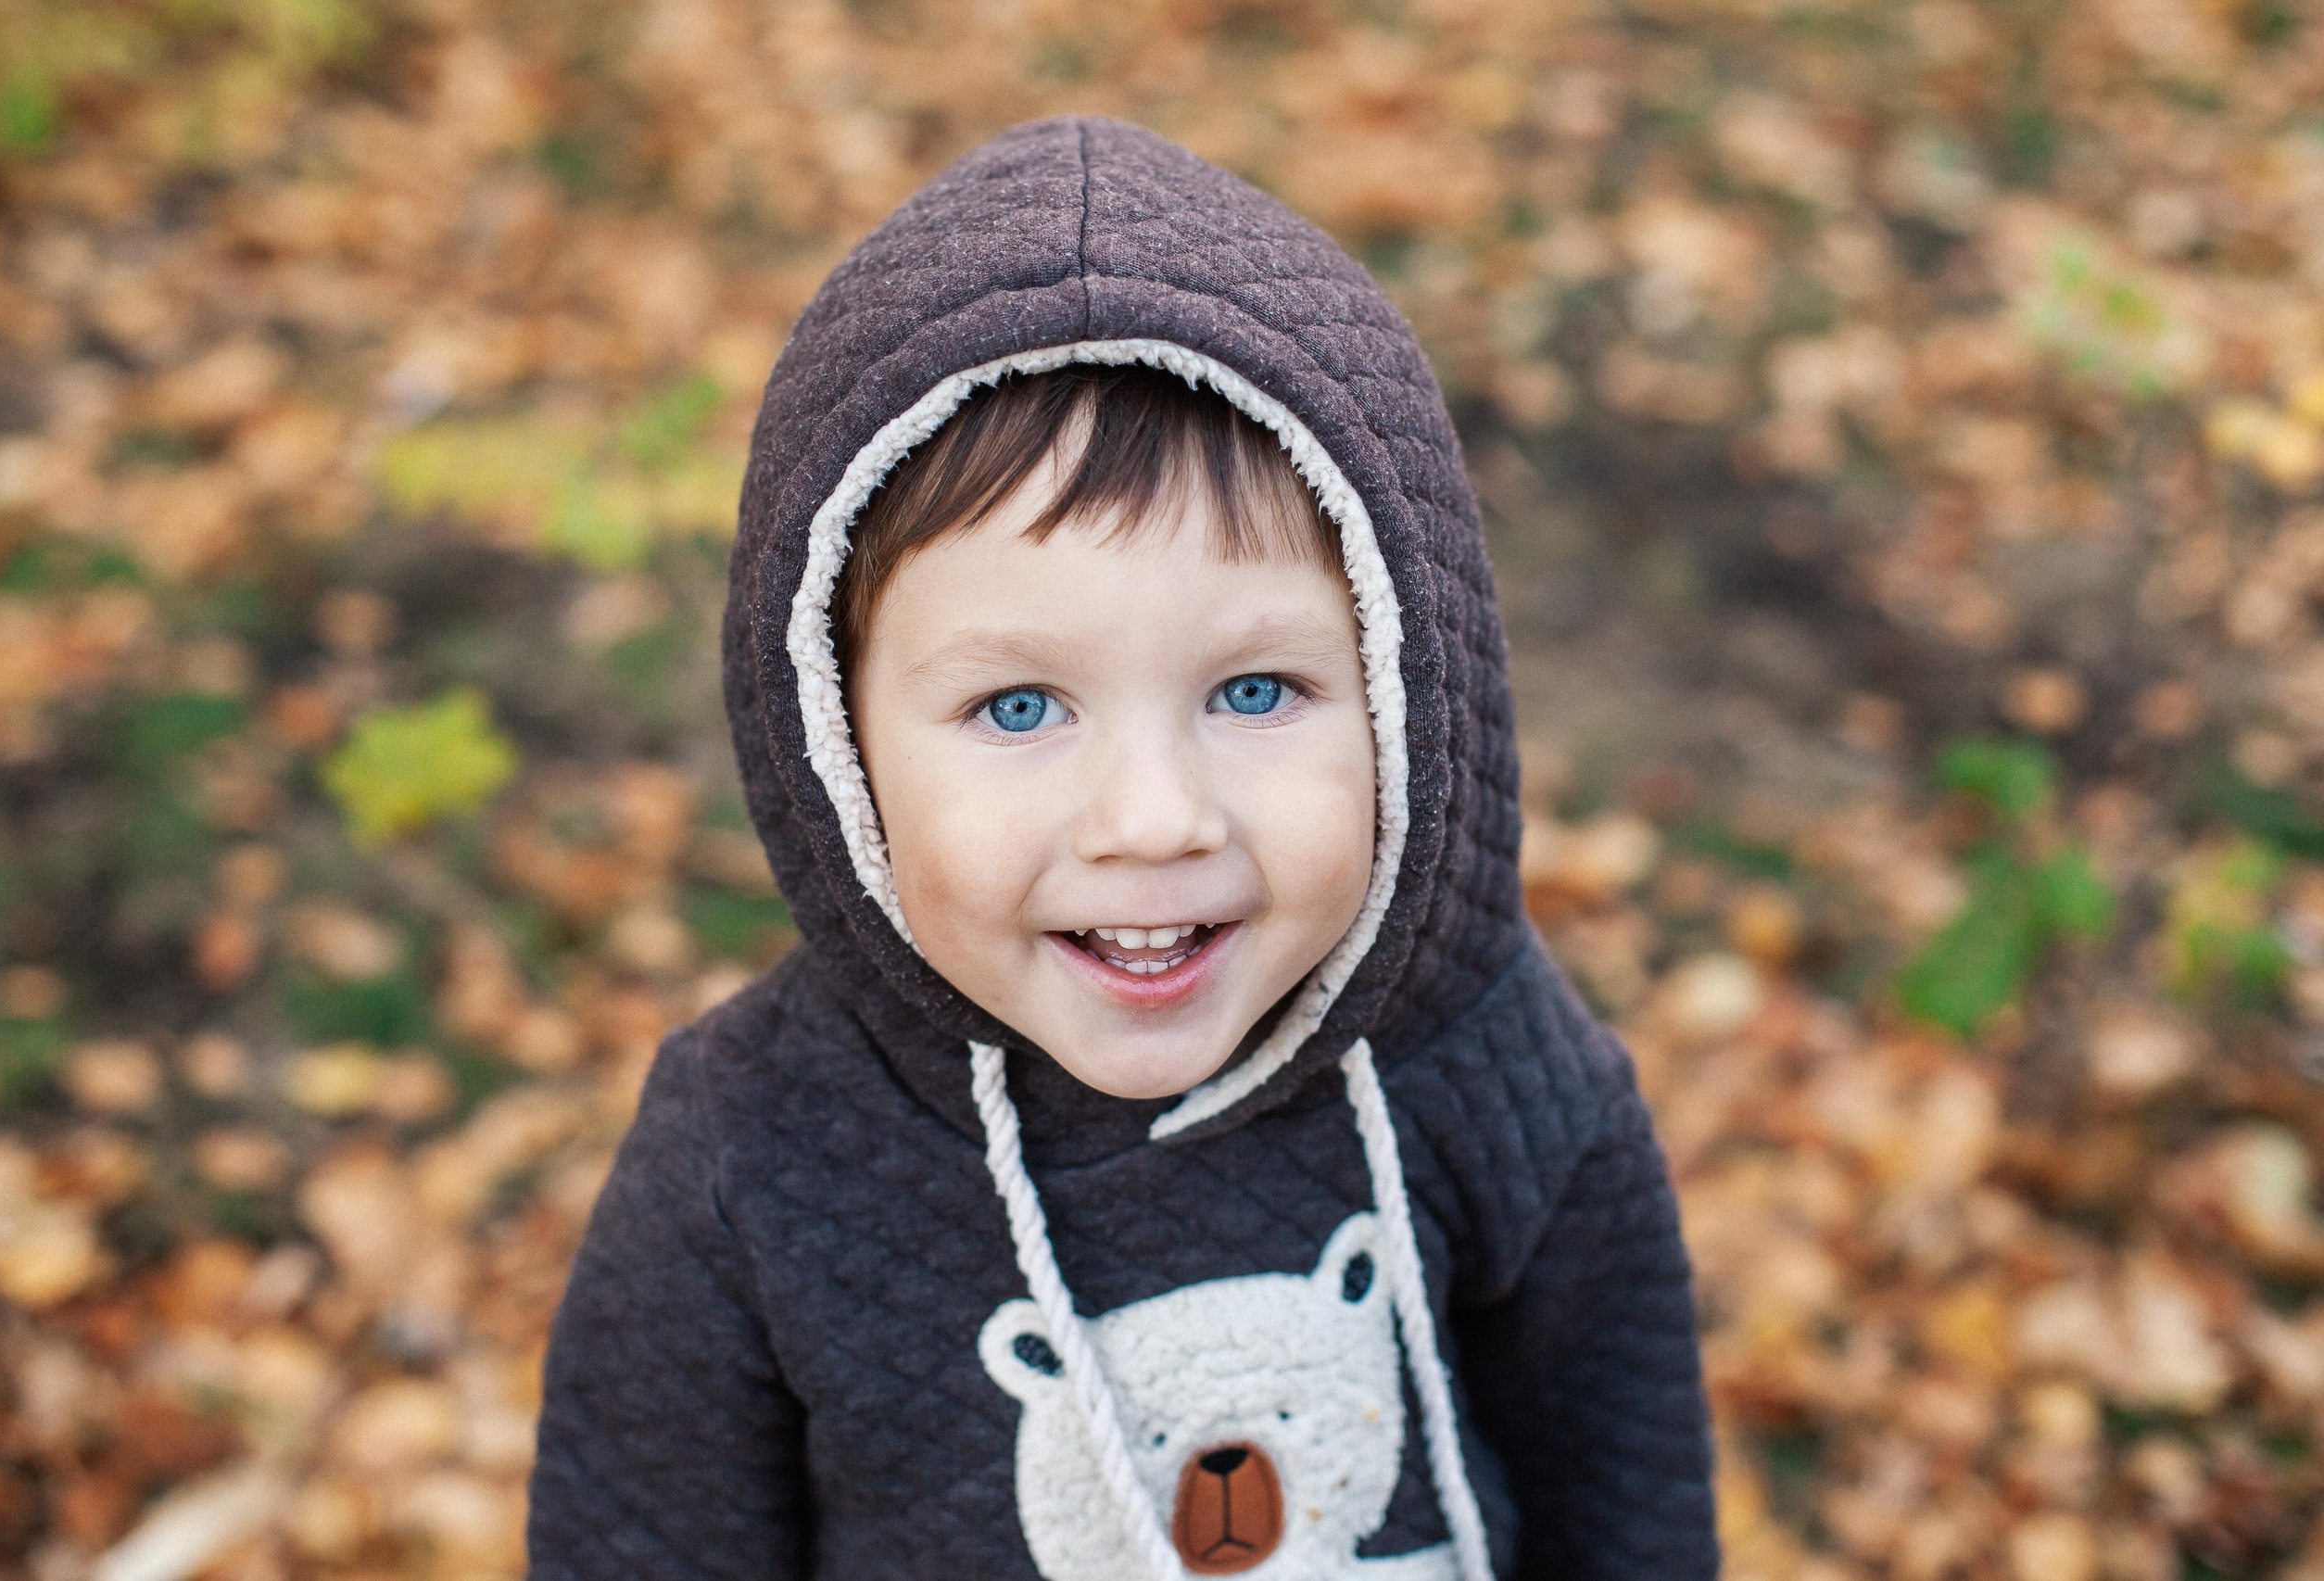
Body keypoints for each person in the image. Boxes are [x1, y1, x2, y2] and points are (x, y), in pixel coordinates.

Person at [526, 117, 1717, 1580]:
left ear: (1409, 696)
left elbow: (1632, 1508)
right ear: (835, 744)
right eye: (1018, 706)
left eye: (1256, 690)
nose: (1154, 818)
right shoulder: (753, 1156)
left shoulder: (1494, 1068)